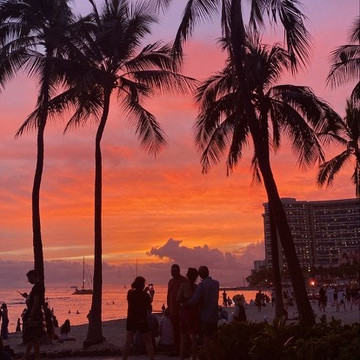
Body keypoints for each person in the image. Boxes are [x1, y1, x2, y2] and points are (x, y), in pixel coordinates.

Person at [186, 266, 219, 360]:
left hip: (205, 316)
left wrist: (185, 303)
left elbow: (195, 299)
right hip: (214, 315)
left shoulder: (201, 285)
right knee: (215, 339)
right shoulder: (216, 283)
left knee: (206, 340)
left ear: (200, 275)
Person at [122, 276, 154, 360]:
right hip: (142, 319)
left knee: (128, 340)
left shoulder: (130, 293)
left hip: (131, 319)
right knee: (148, 341)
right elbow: (149, 305)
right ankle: (151, 358)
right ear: (142, 285)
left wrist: (144, 292)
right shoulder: (145, 295)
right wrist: (152, 295)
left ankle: (124, 358)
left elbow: (136, 297)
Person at [22, 269, 45, 360]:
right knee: (33, 337)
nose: (29, 281)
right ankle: (28, 356)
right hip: (36, 314)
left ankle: (35, 356)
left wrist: (31, 316)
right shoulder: (39, 286)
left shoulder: (37, 287)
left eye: (29, 278)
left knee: (33, 336)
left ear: (34, 276)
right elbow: (34, 300)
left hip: (35, 315)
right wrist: (27, 297)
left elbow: (36, 302)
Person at [177, 267, 199, 360]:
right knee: (193, 339)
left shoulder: (183, 285)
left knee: (183, 339)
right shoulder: (197, 287)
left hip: (185, 314)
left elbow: (178, 299)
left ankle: (181, 358)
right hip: (194, 314)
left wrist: (185, 302)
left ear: (187, 275)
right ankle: (193, 358)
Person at [166, 264, 186, 356]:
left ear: (179, 271)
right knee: (175, 331)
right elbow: (168, 295)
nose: (173, 272)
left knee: (182, 331)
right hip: (172, 311)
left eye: (175, 271)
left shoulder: (184, 281)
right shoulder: (170, 281)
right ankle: (176, 349)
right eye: (172, 271)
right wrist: (168, 308)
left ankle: (183, 350)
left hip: (181, 311)